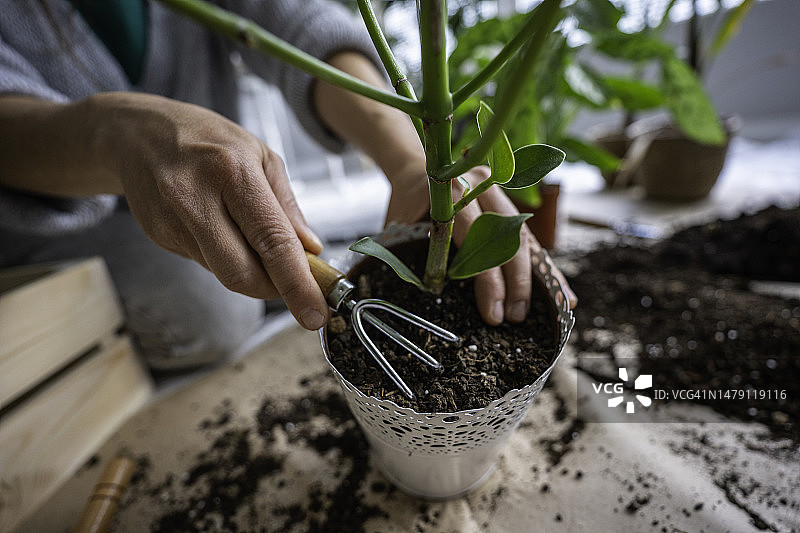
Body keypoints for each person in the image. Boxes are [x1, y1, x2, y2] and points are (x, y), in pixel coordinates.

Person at [0, 0, 575, 371]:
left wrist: (408, 162)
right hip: (43, 211)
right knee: (209, 304)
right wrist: (115, 133)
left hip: (200, 183)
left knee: (294, 246)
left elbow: (298, 25)